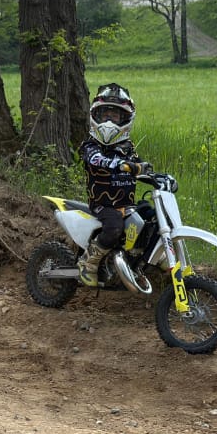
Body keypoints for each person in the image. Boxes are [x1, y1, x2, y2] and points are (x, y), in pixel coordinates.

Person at [77, 83, 145, 287]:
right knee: (114, 226)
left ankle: (145, 259)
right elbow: (96, 160)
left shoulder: (127, 148)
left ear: (125, 119)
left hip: (126, 203)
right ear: (95, 115)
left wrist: (153, 174)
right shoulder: (90, 145)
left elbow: (139, 166)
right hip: (103, 204)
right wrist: (123, 165)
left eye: (114, 116)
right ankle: (88, 262)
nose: (108, 120)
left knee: (148, 213)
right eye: (105, 114)